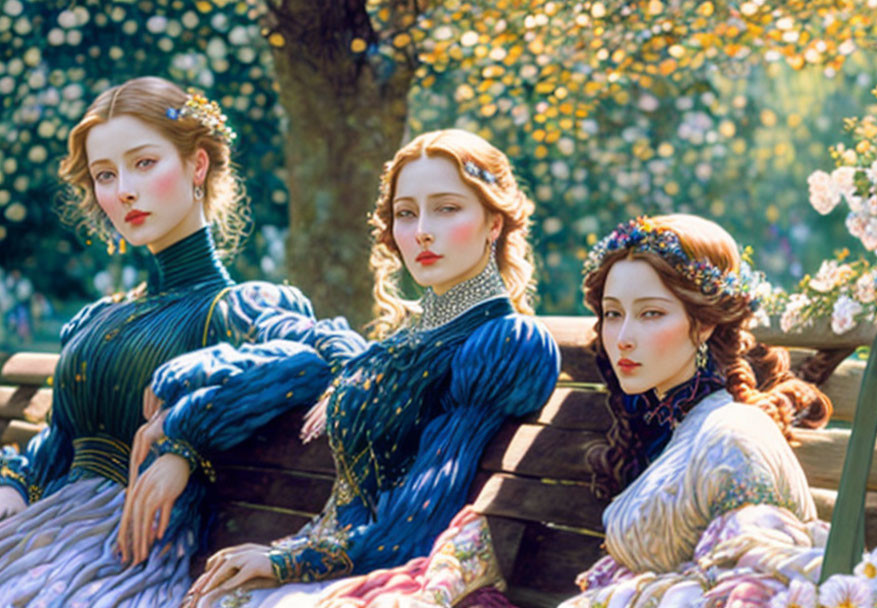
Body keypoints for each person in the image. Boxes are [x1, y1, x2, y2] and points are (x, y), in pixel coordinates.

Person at [176, 129, 561, 607]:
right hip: (332, 549)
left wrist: (286, 563)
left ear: (493, 223)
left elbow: (419, 522)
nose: (421, 230)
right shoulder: (401, 341)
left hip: (399, 569)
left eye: (446, 209)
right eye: (406, 213)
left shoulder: (503, 343)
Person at [0, 76, 337, 607]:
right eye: (105, 176)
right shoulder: (100, 317)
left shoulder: (236, 308)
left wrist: (183, 442)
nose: (124, 191)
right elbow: (60, 439)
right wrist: (16, 486)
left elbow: (321, 360)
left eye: (143, 163)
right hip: (47, 528)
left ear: (197, 165)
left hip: (122, 552)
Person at [560, 214, 838, 607]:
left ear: (704, 323)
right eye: (613, 314)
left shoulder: (732, 439)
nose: (622, 339)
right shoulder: (671, 426)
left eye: (650, 314)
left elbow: (755, 591)